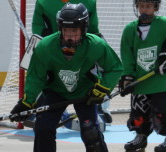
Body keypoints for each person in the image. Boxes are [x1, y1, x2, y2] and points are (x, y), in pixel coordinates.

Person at [10, 3, 123, 152]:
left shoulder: (96, 44)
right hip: (55, 91)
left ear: (84, 29)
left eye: (75, 31)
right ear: (60, 28)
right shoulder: (45, 47)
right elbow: (36, 77)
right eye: (66, 30)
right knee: (43, 127)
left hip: (85, 92)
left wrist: (100, 89)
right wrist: (26, 103)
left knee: (91, 132)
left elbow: (115, 68)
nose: (70, 36)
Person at [119, 0, 166, 152]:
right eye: (141, 6)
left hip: (159, 79)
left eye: (148, 6)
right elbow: (127, 54)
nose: (144, 9)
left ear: (155, 8)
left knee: (162, 110)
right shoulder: (129, 29)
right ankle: (141, 136)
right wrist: (127, 76)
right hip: (141, 80)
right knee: (138, 111)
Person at [30, 0, 112, 128]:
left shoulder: (89, 2)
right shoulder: (43, 2)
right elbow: (37, 26)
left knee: (96, 74)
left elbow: (93, 30)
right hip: (54, 53)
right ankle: (40, 108)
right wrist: (47, 44)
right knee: (44, 78)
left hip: (80, 51)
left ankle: (101, 109)